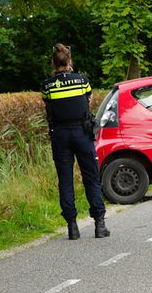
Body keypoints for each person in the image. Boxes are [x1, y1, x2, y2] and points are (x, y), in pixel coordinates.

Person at [41, 43, 109, 240]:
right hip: (81, 133)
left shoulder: (47, 85)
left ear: (53, 63)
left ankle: (72, 227)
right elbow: (88, 99)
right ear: (69, 61)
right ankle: (99, 225)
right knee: (91, 178)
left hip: (60, 136)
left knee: (65, 181)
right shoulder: (81, 81)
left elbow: (49, 104)